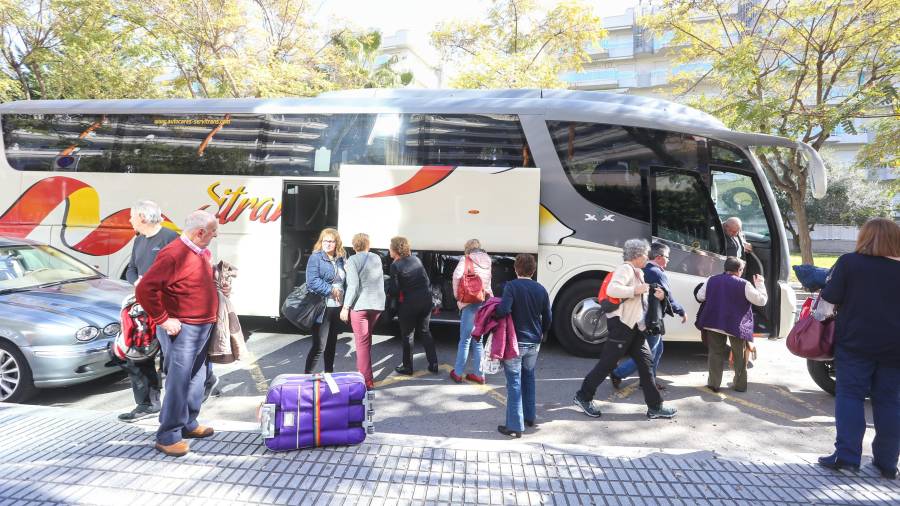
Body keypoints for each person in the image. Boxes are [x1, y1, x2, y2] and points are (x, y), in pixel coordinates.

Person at [817, 218, 900, 480]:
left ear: (864, 237)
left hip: (855, 343)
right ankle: (887, 463)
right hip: (895, 348)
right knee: (889, 402)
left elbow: (828, 302)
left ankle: (848, 458)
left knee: (850, 397)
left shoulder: (850, 263)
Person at [136, 210, 219, 457]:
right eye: (213, 231)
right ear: (200, 232)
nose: (216, 235)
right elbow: (145, 289)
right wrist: (163, 319)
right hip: (186, 327)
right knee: (179, 380)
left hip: (202, 324)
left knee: (197, 375)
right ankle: (168, 435)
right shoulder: (174, 254)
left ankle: (188, 423)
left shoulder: (199, 251)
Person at [573, 239, 677, 420]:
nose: (648, 257)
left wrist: (656, 295)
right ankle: (583, 396)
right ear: (637, 255)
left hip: (635, 327)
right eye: (645, 254)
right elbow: (614, 290)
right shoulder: (626, 269)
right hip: (622, 327)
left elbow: (639, 302)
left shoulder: (638, 272)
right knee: (606, 365)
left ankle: (655, 407)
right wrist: (637, 290)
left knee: (646, 365)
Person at [117, 200, 178, 423]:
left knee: (170, 359)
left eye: (132, 216)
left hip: (166, 308)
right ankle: (147, 404)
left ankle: (180, 402)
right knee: (137, 355)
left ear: (142, 217)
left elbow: (179, 272)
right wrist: (137, 282)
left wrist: (152, 283)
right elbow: (131, 270)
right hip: (142, 308)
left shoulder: (171, 238)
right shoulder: (138, 241)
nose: (130, 220)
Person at [610, 242, 686, 391]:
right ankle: (619, 373)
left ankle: (647, 380)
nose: (668, 260)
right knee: (648, 352)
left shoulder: (640, 268)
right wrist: (681, 311)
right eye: (667, 257)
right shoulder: (657, 273)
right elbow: (667, 297)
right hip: (651, 318)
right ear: (658, 257)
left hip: (639, 316)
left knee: (657, 350)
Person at [493, 253, 551, 438]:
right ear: (533, 270)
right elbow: (548, 317)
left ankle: (514, 426)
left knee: (514, 382)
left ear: (516, 269)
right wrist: (543, 332)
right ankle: (530, 416)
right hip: (534, 342)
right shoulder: (541, 289)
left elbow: (504, 310)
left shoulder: (511, 287)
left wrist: (494, 315)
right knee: (529, 377)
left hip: (515, 342)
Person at [696, 257, 767, 393]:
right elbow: (761, 301)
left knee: (715, 354)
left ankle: (713, 384)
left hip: (713, 322)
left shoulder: (711, 279)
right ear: (739, 270)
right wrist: (760, 284)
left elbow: (700, 297)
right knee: (739, 356)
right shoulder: (744, 284)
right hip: (736, 326)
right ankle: (739, 385)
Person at [340, 233, 385, 389]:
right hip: (377, 306)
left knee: (361, 343)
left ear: (353, 246)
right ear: (368, 244)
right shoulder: (377, 258)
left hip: (360, 307)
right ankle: (367, 375)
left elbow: (353, 286)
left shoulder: (352, 260)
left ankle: (366, 381)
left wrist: (345, 307)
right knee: (367, 339)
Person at [389, 236, 438, 375]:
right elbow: (426, 280)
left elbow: (394, 290)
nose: (389, 250)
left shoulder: (395, 265)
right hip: (426, 300)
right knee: (425, 331)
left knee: (408, 335)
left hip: (409, 303)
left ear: (395, 250)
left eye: (390, 247)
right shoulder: (416, 259)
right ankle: (433, 363)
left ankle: (408, 367)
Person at [450, 239, 493, 385]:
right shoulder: (488, 260)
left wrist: (457, 296)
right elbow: (488, 282)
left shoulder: (465, 259)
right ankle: (479, 374)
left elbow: (456, 276)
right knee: (478, 340)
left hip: (469, 302)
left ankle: (458, 373)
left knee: (465, 340)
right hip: (482, 301)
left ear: (467, 249)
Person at [304, 228, 346, 374]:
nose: (328, 244)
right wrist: (330, 289)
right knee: (319, 345)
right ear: (321, 242)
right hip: (322, 306)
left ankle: (329, 374)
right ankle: (307, 378)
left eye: (331, 241)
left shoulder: (341, 258)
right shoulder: (316, 257)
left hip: (337, 306)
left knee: (332, 344)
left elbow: (344, 279)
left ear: (337, 243)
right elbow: (312, 281)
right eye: (325, 241)